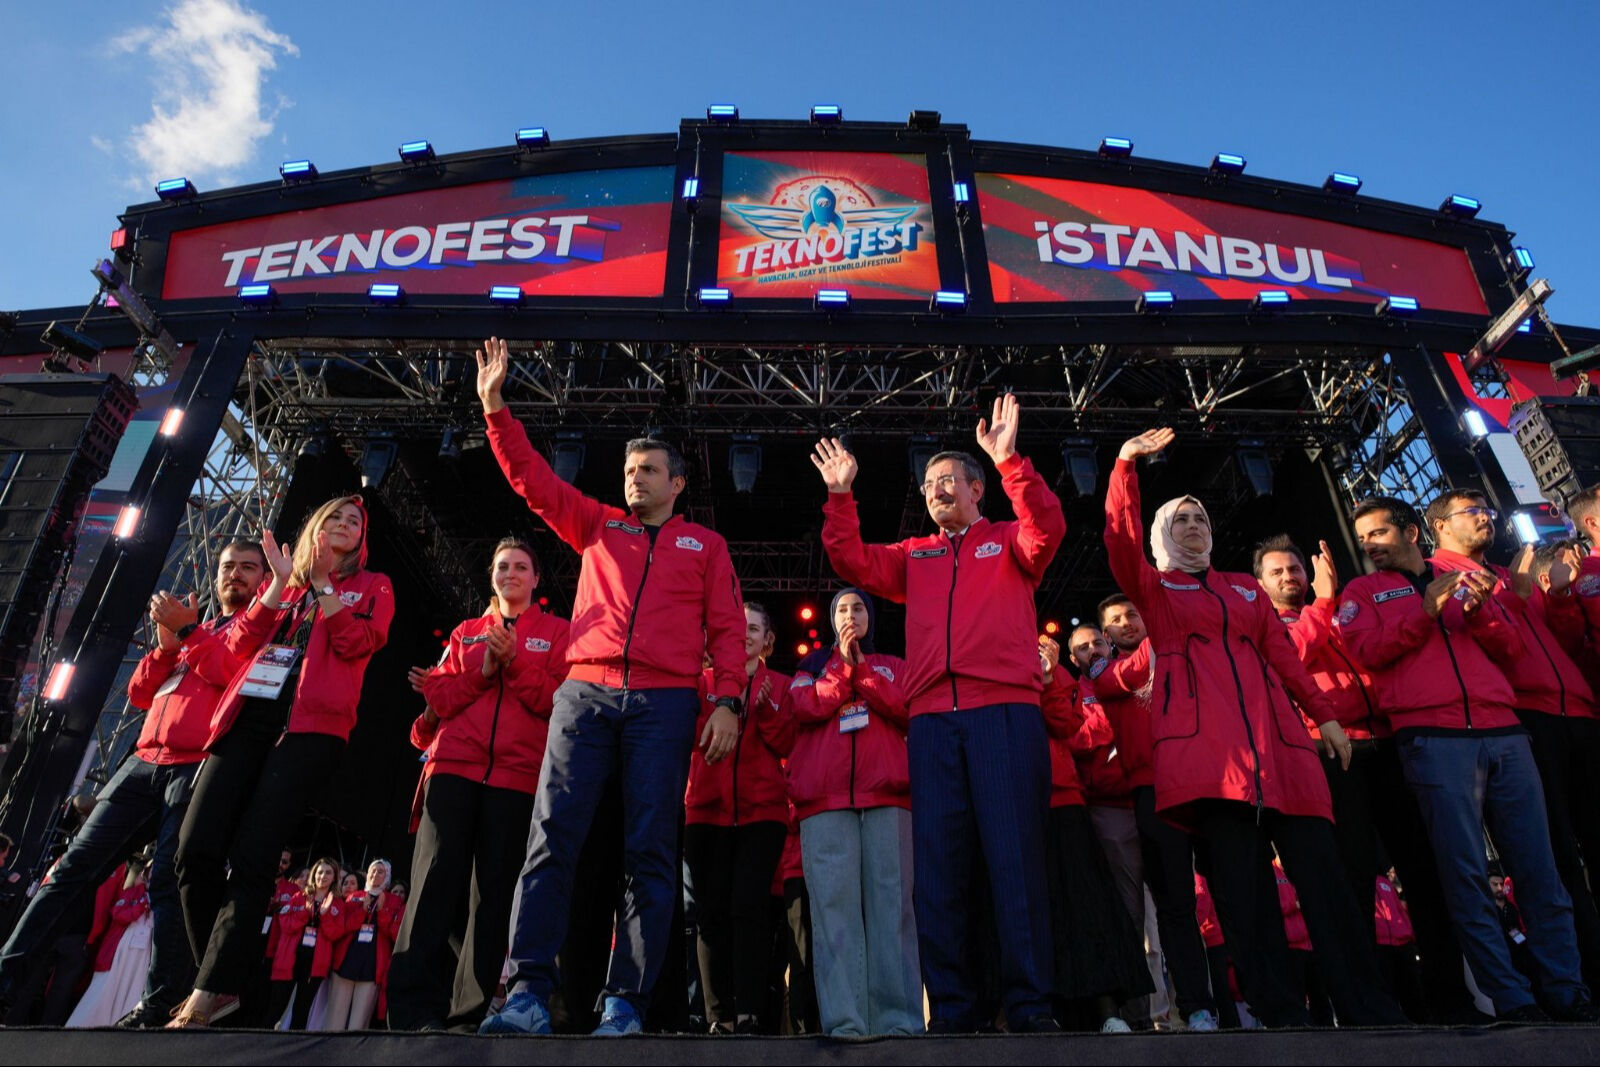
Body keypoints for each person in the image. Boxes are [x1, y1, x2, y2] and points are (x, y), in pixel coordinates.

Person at [474, 337, 746, 1037]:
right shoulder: (597, 525)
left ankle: (626, 1003)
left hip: (666, 703)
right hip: (585, 696)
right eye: (629, 469)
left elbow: (725, 630)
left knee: (649, 851)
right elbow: (532, 479)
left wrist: (726, 702)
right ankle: (527, 991)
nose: (635, 478)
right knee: (550, 840)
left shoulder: (704, 546)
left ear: (677, 482)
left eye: (649, 470)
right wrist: (495, 407)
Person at [1105, 428, 1401, 1028]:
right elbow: (1119, 543)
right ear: (1164, 533)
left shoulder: (1243, 588)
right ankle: (1282, 1014)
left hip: (1284, 752)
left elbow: (1285, 657)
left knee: (1329, 888)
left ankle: (1369, 1010)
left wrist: (1325, 717)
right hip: (1208, 763)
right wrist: (1124, 468)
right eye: (1181, 519)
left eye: (1201, 518)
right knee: (1246, 899)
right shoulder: (1156, 590)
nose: (1193, 526)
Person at [813, 393, 1067, 1033]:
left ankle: (1031, 1005)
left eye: (947, 481)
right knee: (941, 871)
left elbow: (1049, 529)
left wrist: (1011, 462)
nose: (934, 492)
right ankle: (955, 1010)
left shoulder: (1009, 541)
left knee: (1013, 862)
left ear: (977, 488)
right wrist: (841, 496)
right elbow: (851, 560)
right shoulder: (915, 554)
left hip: (1002, 714)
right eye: (927, 485)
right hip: (931, 724)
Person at [1338, 494, 1596, 1021]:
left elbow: (1512, 651)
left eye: (1378, 533)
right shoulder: (1362, 591)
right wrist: (1425, 612)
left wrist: (1480, 616)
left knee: (1539, 871)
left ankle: (1568, 992)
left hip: (1504, 730)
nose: (1369, 546)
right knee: (1467, 875)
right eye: (1362, 538)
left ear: (1411, 532)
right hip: (1431, 737)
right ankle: (1513, 998)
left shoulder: (1463, 574)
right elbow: (1365, 652)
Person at [0, 540, 266, 1027]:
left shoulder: (261, 628)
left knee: (167, 880)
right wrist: (167, 646)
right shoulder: (198, 628)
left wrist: (186, 633)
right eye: (228, 566)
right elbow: (141, 692)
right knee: (71, 867)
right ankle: (5, 978)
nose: (235, 575)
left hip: (196, 763)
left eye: (248, 568)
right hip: (143, 760)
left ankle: (160, 1003)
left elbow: (233, 677)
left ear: (263, 578)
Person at [170, 495, 394, 1028]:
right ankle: (228, 982)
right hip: (246, 720)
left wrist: (324, 586)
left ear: (363, 538)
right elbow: (235, 651)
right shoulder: (283, 583)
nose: (345, 524)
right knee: (194, 850)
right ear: (317, 524)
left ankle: (211, 990)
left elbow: (359, 642)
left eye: (355, 521)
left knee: (252, 857)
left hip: (310, 732)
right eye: (336, 516)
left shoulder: (374, 585)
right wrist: (276, 586)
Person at [1254, 533, 1477, 1022]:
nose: (1291, 577)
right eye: (1279, 572)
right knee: (1352, 878)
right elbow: (1291, 659)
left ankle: (1451, 999)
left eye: (1295, 569)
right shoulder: (1270, 624)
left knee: (1422, 872)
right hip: (1333, 752)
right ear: (1260, 583)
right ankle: (1369, 1005)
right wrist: (1325, 598)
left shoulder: (1341, 612)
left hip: (1390, 741)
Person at [389, 538, 570, 1031]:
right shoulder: (467, 633)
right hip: (452, 770)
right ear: (492, 576)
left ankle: (468, 1015)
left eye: (520, 567)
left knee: (492, 899)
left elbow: (558, 703)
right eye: (502, 566)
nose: (510, 573)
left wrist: (514, 662)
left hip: (517, 779)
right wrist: (486, 671)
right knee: (430, 890)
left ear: (537, 579)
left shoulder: (559, 635)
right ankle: (409, 1013)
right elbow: (440, 697)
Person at [1425, 489, 1600, 986]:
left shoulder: (1508, 574)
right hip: (1524, 718)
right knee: (1555, 858)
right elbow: (1488, 645)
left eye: (1486, 510)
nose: (1485, 518)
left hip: (1578, 710)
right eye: (1471, 512)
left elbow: (1563, 640)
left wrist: (1559, 598)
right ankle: (1580, 976)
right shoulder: (1439, 574)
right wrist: (1512, 605)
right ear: (1438, 525)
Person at [785, 587, 920, 1036]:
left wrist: (861, 670)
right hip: (824, 805)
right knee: (833, 916)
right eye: (842, 609)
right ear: (831, 620)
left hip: (888, 799)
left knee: (892, 911)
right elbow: (805, 707)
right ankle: (846, 1023)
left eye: (858, 607)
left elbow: (906, 709)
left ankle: (898, 1022)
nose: (850, 614)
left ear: (870, 617)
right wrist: (844, 667)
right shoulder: (808, 669)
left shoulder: (896, 666)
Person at [1088, 598, 1217, 1031]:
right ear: (1106, 637)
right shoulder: (1104, 676)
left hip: (1201, 785)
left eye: (1133, 614)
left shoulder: (1178, 659)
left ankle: (1221, 1005)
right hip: (1147, 794)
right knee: (1157, 911)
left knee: (1205, 904)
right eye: (1116, 621)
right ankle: (1168, 1012)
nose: (1127, 623)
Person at [683, 602, 793, 1034]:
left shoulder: (781, 685)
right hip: (705, 813)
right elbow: (688, 739)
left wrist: (764, 710)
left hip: (762, 815)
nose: (743, 634)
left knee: (749, 909)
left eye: (753, 628)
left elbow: (788, 742)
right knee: (709, 914)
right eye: (737, 627)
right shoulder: (700, 683)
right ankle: (719, 1016)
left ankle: (749, 1011)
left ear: (767, 640)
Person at [1038, 636, 1154, 1032]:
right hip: (1012, 802)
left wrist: (1050, 678)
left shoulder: (1060, 675)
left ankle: (1107, 1011)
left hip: (1065, 800)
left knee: (1088, 907)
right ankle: (1038, 1010)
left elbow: (1068, 727)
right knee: (1033, 910)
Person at [66, 860, 152, 1028]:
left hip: (139, 960)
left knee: (131, 995)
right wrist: (141, 905)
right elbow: (119, 914)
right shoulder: (132, 893)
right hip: (118, 955)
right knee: (102, 992)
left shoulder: (162, 902)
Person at [266, 857, 349, 1030]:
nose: (323, 876)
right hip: (289, 959)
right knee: (275, 1007)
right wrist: (305, 911)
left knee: (302, 1010)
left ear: (334, 877)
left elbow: (336, 934)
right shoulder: (299, 896)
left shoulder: (338, 904)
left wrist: (325, 914)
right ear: (314, 875)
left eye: (328, 872)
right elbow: (286, 925)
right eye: (319, 872)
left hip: (315, 964)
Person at [325, 859, 404, 1031]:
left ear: (387, 876)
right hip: (345, 964)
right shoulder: (355, 896)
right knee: (333, 1022)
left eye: (380, 872)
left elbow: (394, 934)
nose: (375, 875)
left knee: (358, 1025)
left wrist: (381, 911)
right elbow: (344, 926)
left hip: (371, 968)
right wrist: (362, 910)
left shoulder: (394, 901)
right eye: (373, 871)